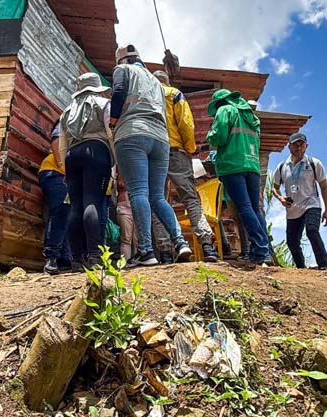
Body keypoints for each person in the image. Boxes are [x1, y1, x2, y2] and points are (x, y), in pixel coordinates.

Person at [109, 44, 192, 267]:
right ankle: (181, 242)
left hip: (132, 134)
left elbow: (117, 93)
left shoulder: (122, 70)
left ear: (123, 60)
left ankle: (146, 251)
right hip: (161, 140)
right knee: (157, 197)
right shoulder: (156, 81)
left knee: (138, 192)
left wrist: (113, 122)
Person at [150, 70, 220, 263]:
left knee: (157, 200)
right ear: (167, 81)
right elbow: (185, 124)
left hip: (154, 151)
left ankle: (165, 252)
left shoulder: (146, 94)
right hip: (176, 151)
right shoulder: (174, 94)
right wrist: (190, 147)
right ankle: (207, 246)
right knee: (190, 199)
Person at [206, 88, 269, 266]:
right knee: (255, 209)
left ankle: (260, 249)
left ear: (219, 102)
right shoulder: (252, 118)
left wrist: (209, 136)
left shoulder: (225, 110)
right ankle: (263, 251)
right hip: (253, 165)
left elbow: (218, 136)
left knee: (244, 207)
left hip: (233, 165)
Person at [58, 72, 114, 268]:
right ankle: (94, 256)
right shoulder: (103, 103)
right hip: (96, 151)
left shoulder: (66, 111)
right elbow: (110, 132)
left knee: (75, 205)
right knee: (93, 201)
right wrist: (115, 160)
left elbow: (62, 144)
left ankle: (76, 258)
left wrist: (65, 167)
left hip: (72, 156)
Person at [272, 132, 327, 269]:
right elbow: (274, 188)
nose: (299, 148)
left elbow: (324, 187)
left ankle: (325, 266)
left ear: (306, 146)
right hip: (293, 209)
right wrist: (281, 198)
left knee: (312, 230)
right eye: (295, 145)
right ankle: (301, 269)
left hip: (311, 204)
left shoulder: (314, 163)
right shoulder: (282, 167)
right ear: (289, 147)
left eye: (301, 145)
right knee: (292, 242)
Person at [37, 120, 71, 275]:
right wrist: (61, 165)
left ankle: (63, 259)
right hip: (54, 172)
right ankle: (51, 257)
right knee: (61, 212)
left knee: (63, 214)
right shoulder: (67, 119)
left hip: (60, 174)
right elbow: (56, 138)